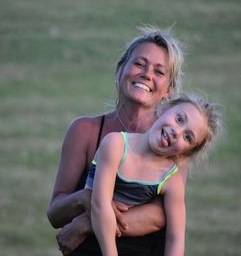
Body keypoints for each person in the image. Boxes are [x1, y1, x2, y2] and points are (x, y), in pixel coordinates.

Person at [47, 26, 185, 255]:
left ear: (168, 90)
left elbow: (161, 215)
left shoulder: (172, 143)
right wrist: (86, 197)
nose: (147, 74)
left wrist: (86, 224)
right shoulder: (85, 131)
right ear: (120, 69)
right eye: (139, 64)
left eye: (159, 72)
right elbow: (55, 213)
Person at [87, 94, 222, 256]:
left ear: (185, 154)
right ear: (164, 110)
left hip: (133, 245)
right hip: (94, 242)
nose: (176, 132)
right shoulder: (116, 144)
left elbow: (175, 240)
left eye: (187, 137)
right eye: (179, 119)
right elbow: (100, 206)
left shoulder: (171, 179)